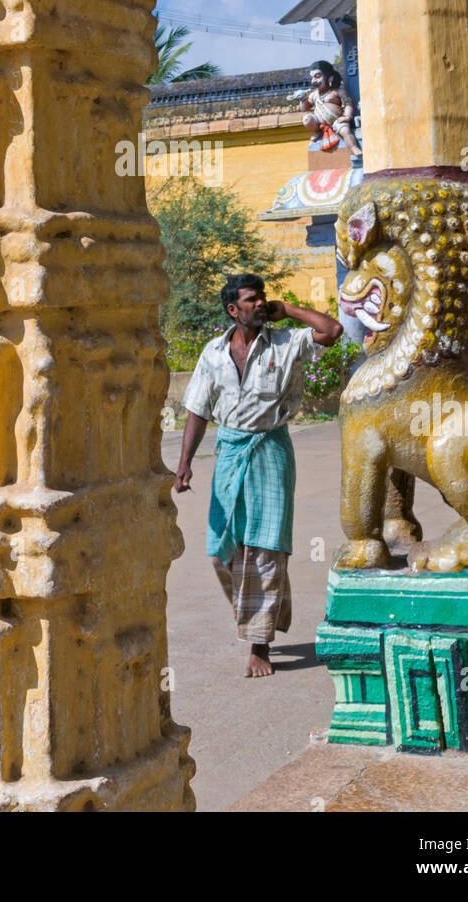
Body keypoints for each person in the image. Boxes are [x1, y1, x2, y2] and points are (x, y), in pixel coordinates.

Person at [174, 274, 342, 678]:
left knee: (265, 549)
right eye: (252, 299)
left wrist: (289, 311)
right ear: (233, 310)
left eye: (263, 298)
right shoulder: (213, 353)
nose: (260, 303)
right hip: (230, 452)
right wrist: (184, 463)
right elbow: (198, 409)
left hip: (270, 451)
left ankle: (259, 644)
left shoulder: (286, 343)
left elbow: (331, 331)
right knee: (221, 549)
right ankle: (260, 613)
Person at [289, 61, 362, 164]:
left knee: (345, 130)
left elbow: (348, 105)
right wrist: (302, 100)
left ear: (330, 77)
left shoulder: (337, 91)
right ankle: (318, 131)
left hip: (337, 121)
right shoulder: (313, 95)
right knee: (307, 119)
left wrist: (347, 116)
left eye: (318, 76)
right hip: (320, 124)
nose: (314, 80)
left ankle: (354, 148)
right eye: (313, 77)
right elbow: (304, 108)